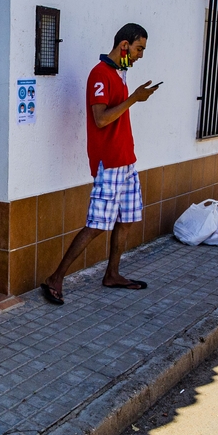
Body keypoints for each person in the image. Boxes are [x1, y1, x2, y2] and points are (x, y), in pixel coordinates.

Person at [40, 23, 161, 305]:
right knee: (96, 225)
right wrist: (134, 99)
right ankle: (55, 278)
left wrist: (133, 96)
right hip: (110, 163)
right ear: (124, 46)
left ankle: (112, 274)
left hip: (127, 160)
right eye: (139, 48)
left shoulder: (119, 73)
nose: (141, 55)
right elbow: (101, 119)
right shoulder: (100, 74)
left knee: (128, 218)